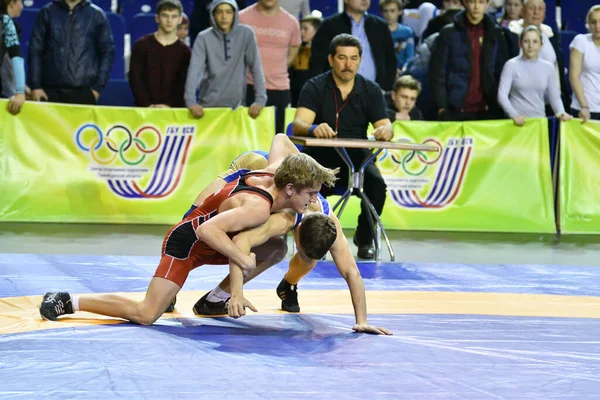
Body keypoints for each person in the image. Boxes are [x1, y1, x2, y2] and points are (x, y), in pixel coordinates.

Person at [39, 134, 338, 325]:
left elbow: (280, 137)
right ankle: (68, 299)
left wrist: (308, 166)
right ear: (289, 188)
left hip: (208, 229)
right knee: (146, 314)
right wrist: (242, 258)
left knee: (274, 248)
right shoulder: (259, 206)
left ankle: (212, 300)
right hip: (187, 242)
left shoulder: (275, 171)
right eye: (310, 193)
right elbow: (208, 231)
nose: (314, 200)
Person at [177, 150, 391, 335]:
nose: (302, 255)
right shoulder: (285, 218)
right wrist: (237, 294)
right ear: (296, 232)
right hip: (253, 167)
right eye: (301, 250)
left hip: (279, 185)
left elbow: (352, 272)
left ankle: (286, 285)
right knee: (193, 221)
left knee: (288, 254)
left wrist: (361, 320)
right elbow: (243, 242)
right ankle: (173, 279)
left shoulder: (330, 225)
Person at [293, 34, 394, 260]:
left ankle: (365, 238)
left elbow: (384, 124)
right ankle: (315, 241)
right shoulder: (315, 86)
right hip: (320, 158)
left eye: (354, 58)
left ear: (359, 61)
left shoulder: (371, 89)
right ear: (331, 60)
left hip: (357, 159)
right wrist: (314, 128)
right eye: (342, 58)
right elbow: (299, 124)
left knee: (377, 186)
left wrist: (386, 130)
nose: (348, 64)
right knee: (313, 191)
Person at [185, 0, 266, 120]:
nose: (224, 17)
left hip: (237, 108)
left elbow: (256, 68)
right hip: (207, 108)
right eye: (219, 12)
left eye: (228, 12)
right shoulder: (203, 37)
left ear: (235, 14)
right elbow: (194, 71)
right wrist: (191, 101)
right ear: (213, 14)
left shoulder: (246, 34)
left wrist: (260, 100)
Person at [429, 0, 508, 121]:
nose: (476, 6)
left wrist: (497, 105)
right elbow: (437, 72)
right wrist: (441, 107)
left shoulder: (496, 33)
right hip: (454, 110)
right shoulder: (448, 33)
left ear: (487, 4)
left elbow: (501, 71)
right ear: (465, 3)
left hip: (487, 110)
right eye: (472, 1)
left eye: (481, 2)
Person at [28, 0, 114, 105]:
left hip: (84, 93)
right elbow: (35, 51)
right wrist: (35, 86)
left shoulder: (97, 15)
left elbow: (107, 53)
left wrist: (97, 88)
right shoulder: (46, 12)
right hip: (49, 92)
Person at [240, 0, 302, 134]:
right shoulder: (242, 17)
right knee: (248, 140)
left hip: (280, 89)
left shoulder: (291, 22)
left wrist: (279, 68)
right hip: (249, 87)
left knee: (279, 138)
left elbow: (295, 46)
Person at [309, 0, 397, 92]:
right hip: (337, 95)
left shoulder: (380, 26)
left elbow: (391, 60)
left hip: (375, 94)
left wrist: (385, 89)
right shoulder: (329, 26)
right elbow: (317, 62)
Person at [497, 25, 571, 126]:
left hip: (539, 122)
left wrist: (561, 112)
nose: (530, 45)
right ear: (520, 43)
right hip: (515, 122)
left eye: (535, 42)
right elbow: (502, 95)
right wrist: (514, 115)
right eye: (526, 41)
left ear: (541, 44)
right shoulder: (511, 65)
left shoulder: (548, 67)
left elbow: (554, 97)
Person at [506, 0, 568, 109]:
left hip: (551, 105)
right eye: (532, 8)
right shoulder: (511, 34)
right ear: (523, 11)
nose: (536, 12)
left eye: (540, 9)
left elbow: (559, 70)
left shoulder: (551, 34)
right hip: (520, 107)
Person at [129, 0, 191, 108]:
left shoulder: (185, 52)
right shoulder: (141, 46)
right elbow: (135, 79)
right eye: (165, 16)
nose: (169, 20)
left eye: (174, 16)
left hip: (174, 113)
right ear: (157, 18)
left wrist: (169, 106)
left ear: (180, 20)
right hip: (145, 111)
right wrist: (148, 105)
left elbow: (184, 84)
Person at [569, 5, 600, 122]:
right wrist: (584, 106)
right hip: (584, 108)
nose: (597, 26)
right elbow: (573, 77)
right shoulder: (581, 41)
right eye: (593, 22)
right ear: (588, 24)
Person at [290, 15, 322, 107]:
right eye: (300, 29)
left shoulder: (323, 54)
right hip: (295, 99)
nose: (301, 32)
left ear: (316, 30)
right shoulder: (295, 51)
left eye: (305, 29)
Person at [0, 0, 25, 114]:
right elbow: (16, 57)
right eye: (20, 1)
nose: (22, 6)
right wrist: (20, 92)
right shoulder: (5, 22)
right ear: (11, 3)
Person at [379, 0, 415, 72]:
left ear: (400, 11)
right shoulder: (377, 32)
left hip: (403, 72)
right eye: (385, 11)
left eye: (392, 11)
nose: (389, 14)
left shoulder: (407, 32)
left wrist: (404, 70)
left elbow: (410, 57)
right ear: (381, 13)